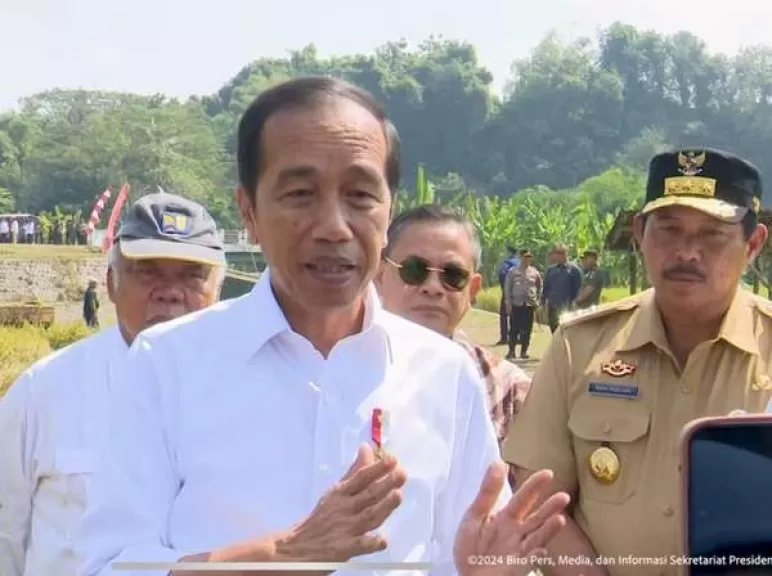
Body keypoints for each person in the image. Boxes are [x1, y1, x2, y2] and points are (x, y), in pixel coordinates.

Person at [75, 77, 569, 576]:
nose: (334, 226)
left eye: (360, 195)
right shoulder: (168, 363)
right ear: (249, 211)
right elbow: (109, 567)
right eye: (300, 194)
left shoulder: (444, 373)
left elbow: (463, 557)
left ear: (389, 211)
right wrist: (282, 555)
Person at [503, 148, 772, 576]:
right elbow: (539, 495)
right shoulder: (579, 346)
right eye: (669, 230)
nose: (687, 252)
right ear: (640, 233)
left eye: (712, 235)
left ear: (753, 244)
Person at [0, 191, 226, 576]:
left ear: (217, 291)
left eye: (192, 275)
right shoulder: (44, 390)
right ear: (111, 283)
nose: (170, 292)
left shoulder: (253, 395)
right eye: (148, 271)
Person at [374, 204, 531, 487]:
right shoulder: (332, 373)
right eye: (414, 270)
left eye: (453, 276)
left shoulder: (509, 391)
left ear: (473, 289)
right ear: (379, 275)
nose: (433, 287)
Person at [504, 249, 542, 360]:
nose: (527, 259)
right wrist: (508, 302)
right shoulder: (513, 271)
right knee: (514, 329)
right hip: (516, 304)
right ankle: (511, 351)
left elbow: (540, 286)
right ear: (521, 257)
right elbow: (508, 287)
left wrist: (538, 300)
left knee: (527, 330)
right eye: (525, 257)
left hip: (529, 305)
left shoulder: (534, 272)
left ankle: (524, 351)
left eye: (529, 257)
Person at [541, 243, 581, 333]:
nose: (560, 255)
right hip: (552, 307)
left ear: (567, 253)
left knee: (565, 332)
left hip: (566, 307)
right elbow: (546, 288)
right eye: (558, 253)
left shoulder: (574, 270)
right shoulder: (551, 270)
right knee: (554, 330)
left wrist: (574, 305)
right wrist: (542, 303)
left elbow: (578, 289)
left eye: (562, 252)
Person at [496, 246, 520, 344]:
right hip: (519, 294)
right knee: (517, 315)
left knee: (504, 315)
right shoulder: (519, 262)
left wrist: (504, 288)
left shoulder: (507, 263)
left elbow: (502, 274)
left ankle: (504, 337)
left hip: (508, 293)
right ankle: (517, 337)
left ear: (509, 252)